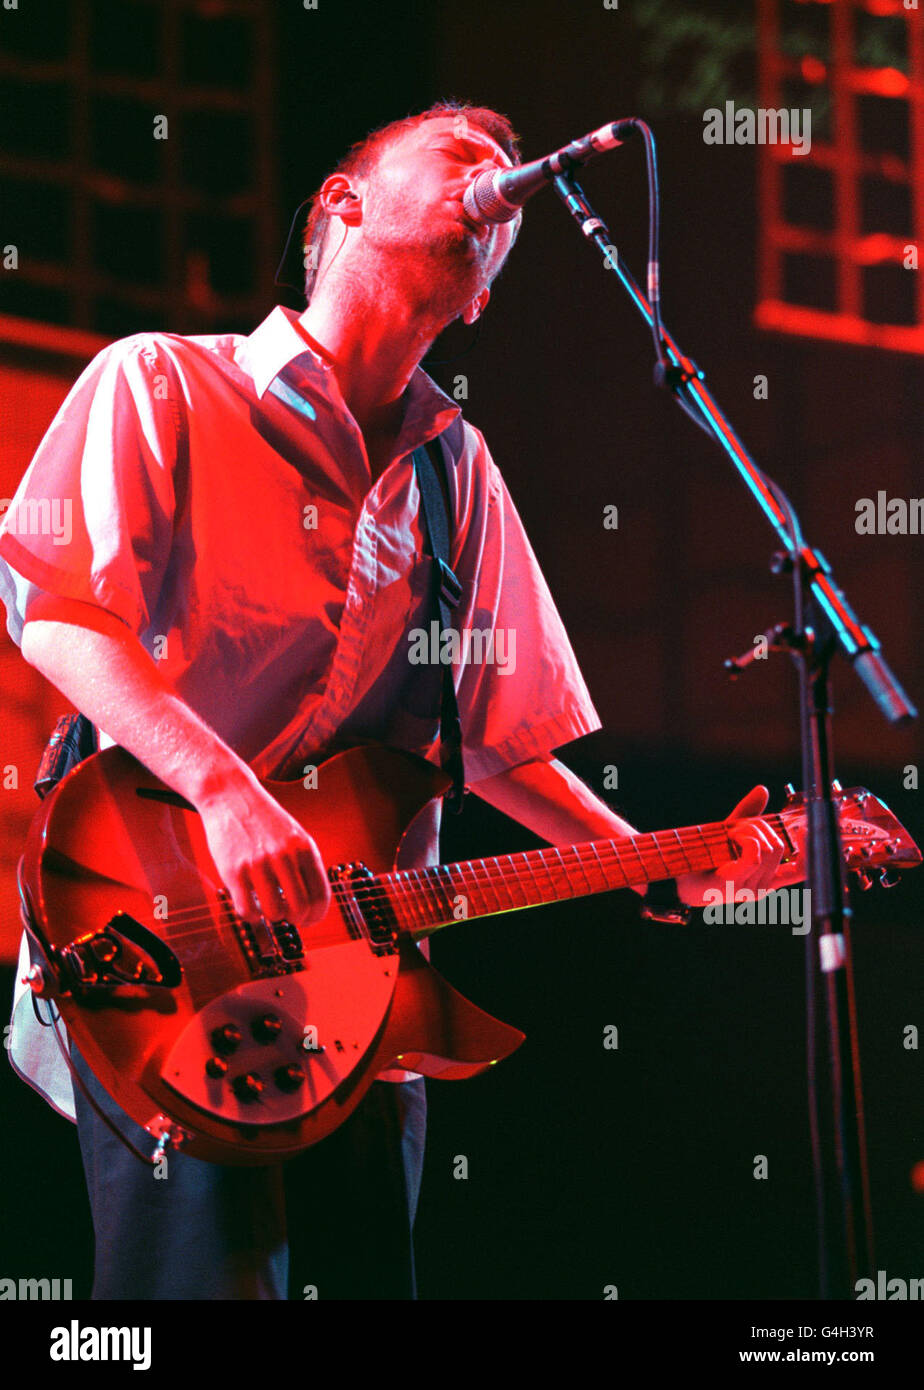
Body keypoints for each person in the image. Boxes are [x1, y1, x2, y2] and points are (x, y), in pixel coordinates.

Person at [0, 101, 794, 1300]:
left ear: (480, 301)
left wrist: (656, 862)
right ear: (342, 204)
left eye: (504, 177)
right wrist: (222, 790)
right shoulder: (160, 382)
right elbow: (57, 610)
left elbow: (497, 741)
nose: (495, 181)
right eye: (461, 158)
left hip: (357, 1000)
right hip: (160, 940)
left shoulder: (454, 469)